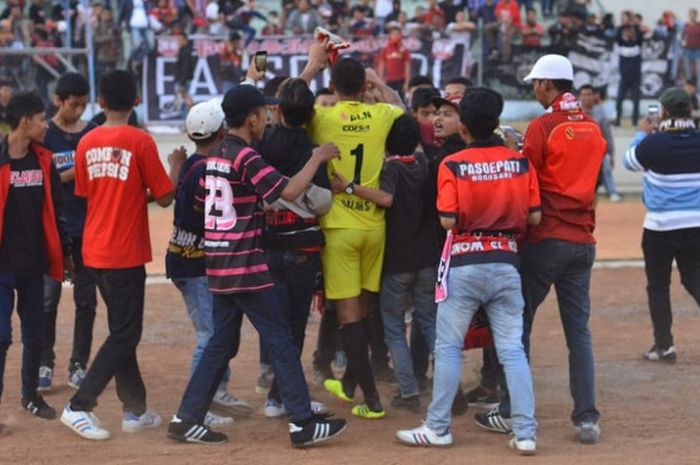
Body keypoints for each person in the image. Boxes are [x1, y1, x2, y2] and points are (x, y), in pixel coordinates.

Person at [167, 83, 346, 446]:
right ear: (251, 118)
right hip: (245, 263)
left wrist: (249, 207)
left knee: (221, 342)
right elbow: (290, 192)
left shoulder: (214, 155)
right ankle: (301, 422)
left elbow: (204, 204)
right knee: (280, 338)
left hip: (218, 262)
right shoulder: (246, 156)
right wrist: (317, 157)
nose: (267, 118)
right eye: (263, 113)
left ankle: (185, 418)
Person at [396, 87, 540, 455]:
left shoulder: (453, 164)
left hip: (465, 261)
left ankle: (438, 427)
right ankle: (525, 432)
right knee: (512, 350)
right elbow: (535, 216)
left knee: (447, 348)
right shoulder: (519, 162)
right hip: (507, 261)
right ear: (495, 121)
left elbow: (447, 219)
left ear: (464, 127)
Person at [478, 54, 606, 445]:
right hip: (582, 239)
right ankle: (586, 418)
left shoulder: (542, 125)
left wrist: (516, 147)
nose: (533, 88)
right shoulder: (593, 126)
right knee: (578, 332)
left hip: (545, 237)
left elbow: (524, 176)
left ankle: (514, 410)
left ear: (548, 85)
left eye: (535, 82)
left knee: (519, 326)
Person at [60, 70, 183, 441]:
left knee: (121, 331)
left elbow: (93, 192)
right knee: (126, 333)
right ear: (137, 101)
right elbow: (164, 196)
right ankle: (80, 405)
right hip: (124, 253)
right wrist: (177, 165)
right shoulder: (140, 141)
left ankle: (135, 409)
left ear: (99, 103)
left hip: (93, 249)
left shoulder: (86, 142)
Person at [301, 45, 404, 419]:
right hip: (374, 225)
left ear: (332, 83)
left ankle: (372, 401)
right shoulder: (382, 113)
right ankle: (349, 384)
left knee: (347, 315)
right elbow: (402, 111)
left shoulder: (324, 117)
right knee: (361, 307)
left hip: (340, 227)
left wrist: (312, 64)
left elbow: (291, 103)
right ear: (364, 84)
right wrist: (377, 81)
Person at [334, 114, 439, 412]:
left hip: (398, 261)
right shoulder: (422, 163)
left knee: (393, 327)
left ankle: (409, 392)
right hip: (426, 259)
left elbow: (386, 199)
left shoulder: (391, 168)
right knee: (429, 323)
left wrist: (350, 188)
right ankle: (450, 388)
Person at [166, 99, 253, 428]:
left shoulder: (190, 164)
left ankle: (217, 390)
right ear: (223, 132)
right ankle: (199, 404)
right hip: (196, 266)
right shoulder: (210, 169)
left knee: (219, 331)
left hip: (184, 259)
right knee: (211, 334)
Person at [258, 78, 332, 419]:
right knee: (295, 325)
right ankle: (283, 396)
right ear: (311, 113)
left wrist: (280, 196)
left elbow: (262, 192)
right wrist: (300, 193)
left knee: (275, 324)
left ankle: (275, 395)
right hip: (303, 246)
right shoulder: (312, 149)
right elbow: (322, 201)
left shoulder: (264, 142)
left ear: (277, 110)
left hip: (269, 243)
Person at [0, 91, 72, 422]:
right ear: (25, 122)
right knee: (1, 336)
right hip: (2, 266)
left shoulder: (44, 158)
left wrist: (65, 253)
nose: (46, 124)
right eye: (42, 119)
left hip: (34, 264)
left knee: (35, 334)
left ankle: (30, 396)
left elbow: (57, 209)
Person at [623, 87, 700, 363]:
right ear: (690, 111)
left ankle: (664, 346)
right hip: (696, 224)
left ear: (663, 112)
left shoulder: (653, 143)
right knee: (694, 279)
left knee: (658, 285)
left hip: (659, 227)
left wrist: (644, 132)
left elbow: (629, 161)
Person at [38, 73, 98, 393]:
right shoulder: (45, 135)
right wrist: (73, 173)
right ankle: (45, 361)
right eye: (73, 105)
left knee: (86, 301)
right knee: (48, 299)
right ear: (59, 101)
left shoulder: (93, 133)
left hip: (89, 229)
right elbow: (43, 181)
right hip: (53, 230)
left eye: (83, 106)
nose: (78, 112)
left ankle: (79, 364)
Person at [579, 84, 621, 202]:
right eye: (584, 94)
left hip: (597, 151)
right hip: (578, 151)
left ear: (594, 96)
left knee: (606, 161)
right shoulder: (574, 111)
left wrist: (611, 155)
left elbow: (607, 135)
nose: (587, 97)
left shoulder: (600, 112)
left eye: (589, 94)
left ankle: (612, 193)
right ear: (579, 97)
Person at [615, 20, 643, 126]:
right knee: (619, 100)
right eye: (627, 32)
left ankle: (634, 121)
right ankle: (618, 120)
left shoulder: (638, 44)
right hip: (624, 77)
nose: (629, 33)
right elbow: (617, 35)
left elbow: (640, 35)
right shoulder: (621, 44)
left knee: (636, 101)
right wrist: (623, 25)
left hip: (635, 78)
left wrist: (634, 25)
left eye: (631, 31)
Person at [377, 24, 411, 99]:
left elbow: (407, 66)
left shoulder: (404, 50)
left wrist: (407, 82)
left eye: (398, 34)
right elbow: (382, 65)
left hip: (401, 80)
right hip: (389, 80)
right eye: (394, 34)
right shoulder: (385, 49)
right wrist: (380, 80)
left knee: (401, 100)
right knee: (389, 100)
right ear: (390, 35)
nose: (396, 36)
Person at [682, 9, 700, 89]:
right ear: (689, 15)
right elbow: (682, 37)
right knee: (688, 72)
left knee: (698, 72)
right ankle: (689, 91)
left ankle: (698, 92)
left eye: (694, 14)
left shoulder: (699, 25)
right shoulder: (686, 25)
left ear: (696, 15)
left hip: (697, 50)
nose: (692, 16)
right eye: (691, 14)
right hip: (687, 50)